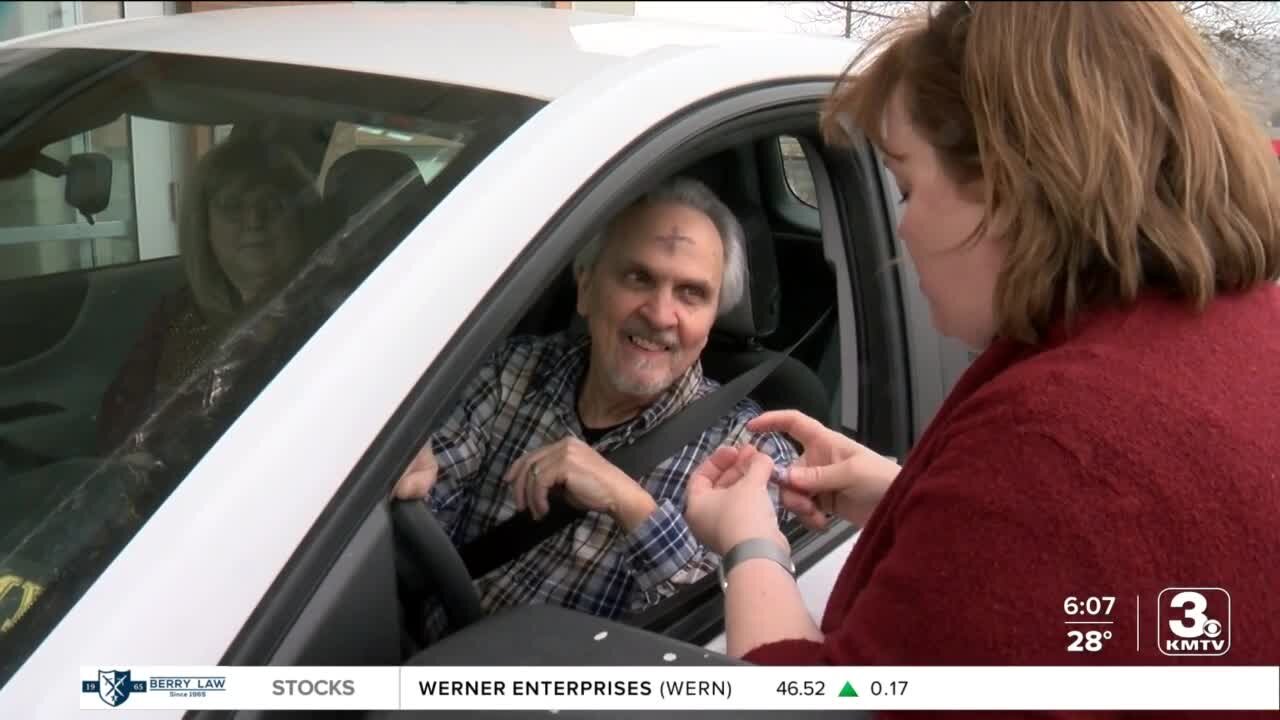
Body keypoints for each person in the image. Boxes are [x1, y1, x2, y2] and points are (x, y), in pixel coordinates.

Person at [683, 0, 1280, 702]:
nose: (900, 230)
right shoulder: (1236, 327)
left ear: (1007, 184)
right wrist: (911, 498)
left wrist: (751, 546)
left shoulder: (1064, 443)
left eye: (906, 185)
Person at [392, 176, 797, 640]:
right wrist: (409, 475)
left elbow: (731, 630)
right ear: (585, 286)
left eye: (691, 294)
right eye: (638, 277)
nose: (662, 315)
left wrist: (630, 505)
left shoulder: (749, 453)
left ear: (711, 320)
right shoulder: (515, 370)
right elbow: (420, 526)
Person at [97, 136, 324, 454]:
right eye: (232, 207)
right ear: (203, 226)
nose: (254, 221)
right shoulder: (177, 311)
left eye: (272, 205)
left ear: (301, 218)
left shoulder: (328, 315)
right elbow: (118, 423)